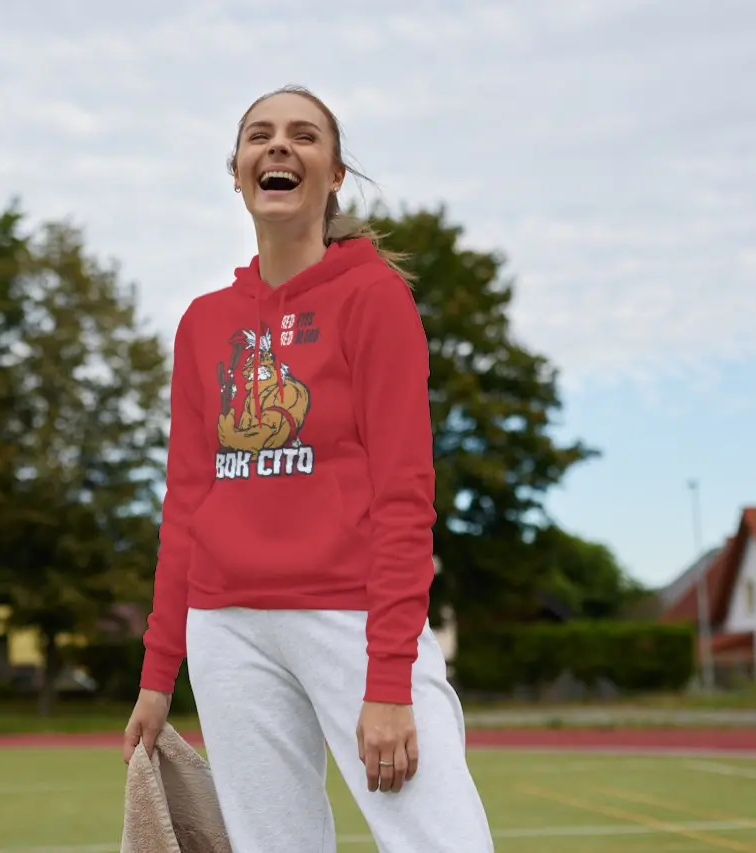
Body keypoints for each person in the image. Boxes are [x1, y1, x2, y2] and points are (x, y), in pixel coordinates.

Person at [122, 84, 494, 853]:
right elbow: (186, 501)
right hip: (228, 627)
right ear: (237, 173)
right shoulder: (203, 325)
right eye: (259, 135)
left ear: (333, 176)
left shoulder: (373, 298)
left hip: (352, 618)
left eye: (303, 135)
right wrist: (159, 672)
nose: (279, 146)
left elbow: (404, 496)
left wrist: (388, 677)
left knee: (446, 842)